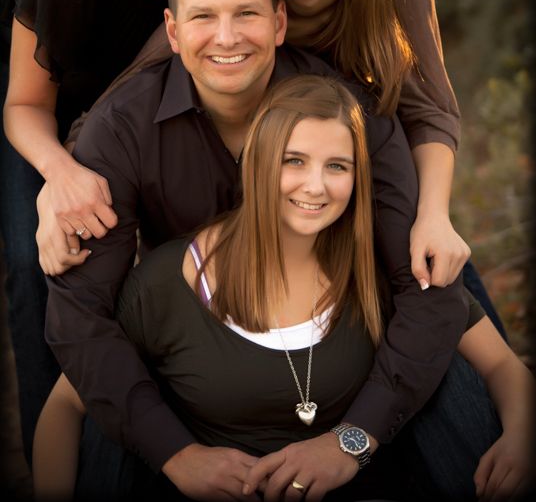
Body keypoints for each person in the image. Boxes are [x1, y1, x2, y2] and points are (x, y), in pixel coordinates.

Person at [43, 0, 468, 497]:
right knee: (109, 418)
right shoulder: (121, 127)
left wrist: (354, 438)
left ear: (279, 22)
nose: (225, 37)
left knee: (450, 366)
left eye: (246, 13)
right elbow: (80, 317)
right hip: (196, 327)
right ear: (171, 30)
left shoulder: (344, 111)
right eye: (201, 17)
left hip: (339, 327)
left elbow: (425, 286)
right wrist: (175, 455)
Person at [62, 0, 501, 330]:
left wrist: (435, 216)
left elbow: (431, 110)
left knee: (434, 268)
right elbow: (121, 100)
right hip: (263, 172)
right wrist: (59, 184)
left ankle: (502, 376)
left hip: (364, 160)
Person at [34, 76, 534, 501]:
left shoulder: (381, 267)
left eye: (337, 166)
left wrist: (520, 438)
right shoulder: (173, 280)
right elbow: (64, 406)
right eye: (293, 161)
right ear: (256, 162)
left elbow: (501, 365)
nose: (315, 186)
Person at [0, 0, 266, 463]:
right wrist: (58, 175)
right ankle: (52, 451)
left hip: (117, 108)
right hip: (34, 101)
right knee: (47, 258)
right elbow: (26, 103)